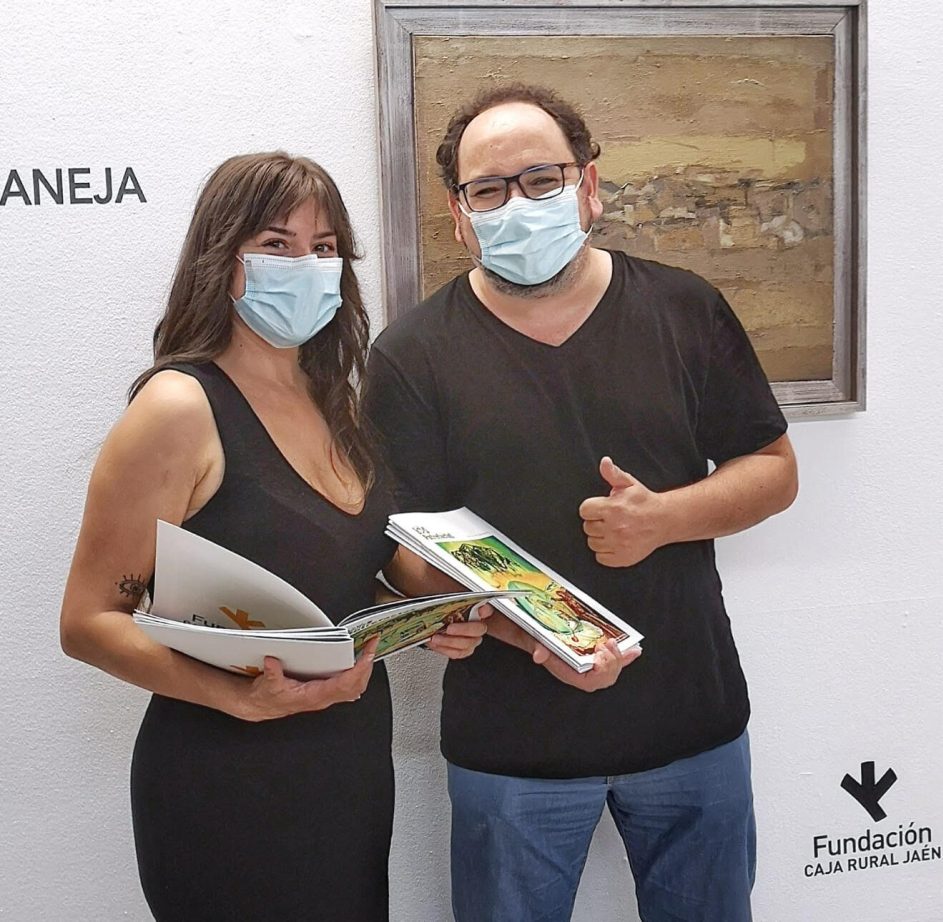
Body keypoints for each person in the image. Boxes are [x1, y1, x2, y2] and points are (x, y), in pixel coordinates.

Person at [363, 85, 799, 922]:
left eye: (541, 180)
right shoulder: (411, 356)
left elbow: (774, 471)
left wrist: (662, 520)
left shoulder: (684, 308)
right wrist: (464, 611)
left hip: (690, 723)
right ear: (459, 215)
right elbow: (399, 548)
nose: (518, 205)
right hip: (510, 747)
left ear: (588, 184)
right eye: (489, 190)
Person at [59, 152, 486, 922]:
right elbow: (88, 622)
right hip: (225, 783)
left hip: (349, 771)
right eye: (277, 244)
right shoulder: (179, 408)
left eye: (324, 248)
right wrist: (240, 699)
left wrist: (441, 607)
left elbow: (349, 577)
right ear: (220, 258)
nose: (307, 266)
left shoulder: (337, 403)